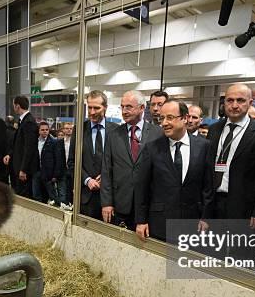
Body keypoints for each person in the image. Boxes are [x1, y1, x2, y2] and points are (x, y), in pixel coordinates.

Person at [134, 99, 214, 241]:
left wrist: (206, 217)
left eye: (170, 118)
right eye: (161, 118)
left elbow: (208, 186)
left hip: (192, 224)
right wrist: (141, 220)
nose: (164, 123)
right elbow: (142, 187)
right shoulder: (152, 148)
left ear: (185, 118)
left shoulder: (204, 146)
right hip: (159, 223)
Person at [207, 83, 255, 228]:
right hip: (213, 204)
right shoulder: (214, 130)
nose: (234, 105)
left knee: (238, 248)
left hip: (244, 206)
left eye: (240, 100)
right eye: (230, 100)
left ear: (250, 103)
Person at [101, 90, 163, 230]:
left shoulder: (158, 134)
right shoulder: (113, 135)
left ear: (142, 108)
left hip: (148, 206)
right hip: (120, 205)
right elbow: (106, 170)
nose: (124, 111)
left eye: (129, 106)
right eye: (122, 107)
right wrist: (107, 203)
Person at [68, 90, 119, 220]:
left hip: (109, 199)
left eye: (96, 108)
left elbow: (120, 162)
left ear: (105, 108)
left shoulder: (116, 131)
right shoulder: (79, 129)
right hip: (85, 198)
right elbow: (72, 162)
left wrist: (107, 175)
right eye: (89, 107)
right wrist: (87, 180)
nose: (92, 112)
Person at [10, 95, 38, 198]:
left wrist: (23, 169)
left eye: (14, 105)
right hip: (19, 166)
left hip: (24, 170)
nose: (14, 107)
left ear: (17, 106)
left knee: (24, 197)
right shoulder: (23, 120)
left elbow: (29, 148)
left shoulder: (29, 122)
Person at [32, 122, 63, 205]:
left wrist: (55, 175)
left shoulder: (54, 142)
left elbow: (58, 160)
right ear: (39, 131)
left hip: (49, 175)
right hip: (37, 172)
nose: (45, 131)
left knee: (53, 197)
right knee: (36, 196)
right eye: (42, 130)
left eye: (46, 130)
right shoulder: (35, 141)